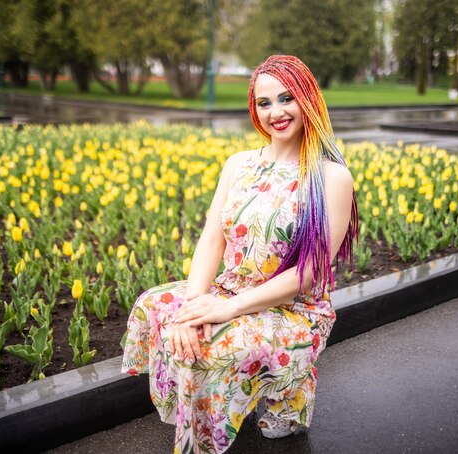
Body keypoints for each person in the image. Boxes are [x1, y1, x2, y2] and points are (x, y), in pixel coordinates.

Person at [121, 54, 358, 454]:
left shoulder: (330, 176)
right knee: (155, 305)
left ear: (308, 99)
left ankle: (288, 397)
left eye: (287, 98)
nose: (276, 112)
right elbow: (212, 239)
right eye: (264, 103)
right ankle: (246, 394)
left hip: (293, 308)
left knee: (208, 347)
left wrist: (225, 310)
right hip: (230, 289)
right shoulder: (239, 164)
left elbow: (309, 274)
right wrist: (193, 307)